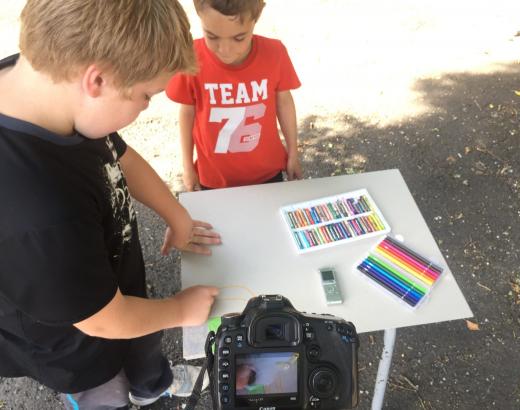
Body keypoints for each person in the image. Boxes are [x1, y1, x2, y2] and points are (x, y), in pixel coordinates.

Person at [0, 1, 221, 409]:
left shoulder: (40, 83)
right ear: (96, 80)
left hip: (108, 284)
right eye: (146, 96)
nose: (145, 107)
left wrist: (176, 213)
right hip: (75, 343)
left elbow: (119, 154)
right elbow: (104, 319)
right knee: (107, 390)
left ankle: (151, 384)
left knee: (142, 337)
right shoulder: (41, 212)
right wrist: (179, 309)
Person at [166, 0, 303, 191]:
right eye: (212, 36)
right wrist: (188, 166)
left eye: (239, 38)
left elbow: (284, 103)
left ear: (255, 19)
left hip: (267, 173)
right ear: (199, 16)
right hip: (214, 178)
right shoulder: (191, 57)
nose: (225, 50)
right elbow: (187, 113)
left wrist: (293, 153)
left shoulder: (274, 53)